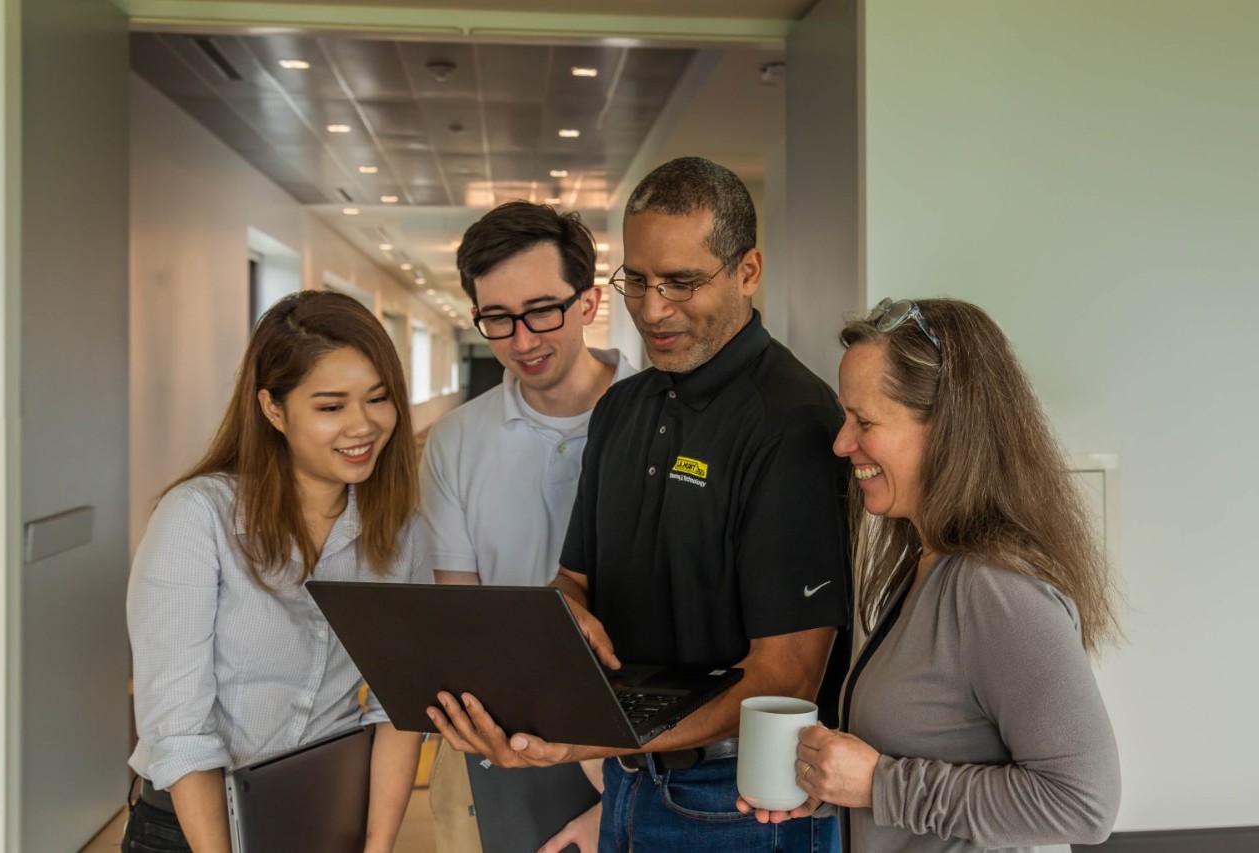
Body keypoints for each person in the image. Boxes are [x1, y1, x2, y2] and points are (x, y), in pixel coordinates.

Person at [428, 156, 853, 851]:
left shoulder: (793, 419)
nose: (653, 309)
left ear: (748, 271)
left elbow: (787, 674)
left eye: (682, 282)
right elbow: (574, 582)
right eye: (639, 280)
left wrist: (589, 736)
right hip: (631, 784)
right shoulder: (623, 407)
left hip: (743, 803)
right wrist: (561, 622)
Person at [743, 297, 1122, 852]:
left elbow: (1083, 803)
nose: (841, 443)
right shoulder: (927, 562)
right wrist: (837, 781)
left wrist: (879, 784)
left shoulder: (997, 590)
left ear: (947, 429)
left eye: (864, 422)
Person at [125, 290, 423, 853]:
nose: (363, 426)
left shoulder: (396, 527)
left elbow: (396, 705)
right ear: (273, 409)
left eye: (378, 399)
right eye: (331, 407)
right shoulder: (199, 518)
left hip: (323, 818)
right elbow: (178, 728)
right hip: (193, 827)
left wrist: (377, 847)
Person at [419, 200, 634, 853]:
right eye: (497, 318)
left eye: (542, 309)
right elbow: (463, 616)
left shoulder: (662, 418)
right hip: (497, 741)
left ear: (589, 301)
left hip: (641, 746)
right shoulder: (456, 440)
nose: (522, 339)